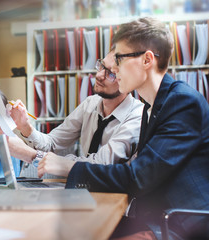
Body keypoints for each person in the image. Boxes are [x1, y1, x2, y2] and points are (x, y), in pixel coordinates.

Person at [65, 17, 209, 239]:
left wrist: (68, 169)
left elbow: (139, 178)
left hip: (185, 223)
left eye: (120, 59)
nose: (113, 67)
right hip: (159, 215)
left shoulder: (183, 102)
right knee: (78, 228)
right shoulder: (150, 107)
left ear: (147, 60)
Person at [9, 50, 143, 178]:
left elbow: (101, 164)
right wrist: (25, 127)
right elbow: (53, 143)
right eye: (101, 66)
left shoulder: (137, 115)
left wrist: (32, 155)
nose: (99, 75)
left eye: (111, 74)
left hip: (115, 197)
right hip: (82, 188)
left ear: (129, 82)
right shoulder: (90, 104)